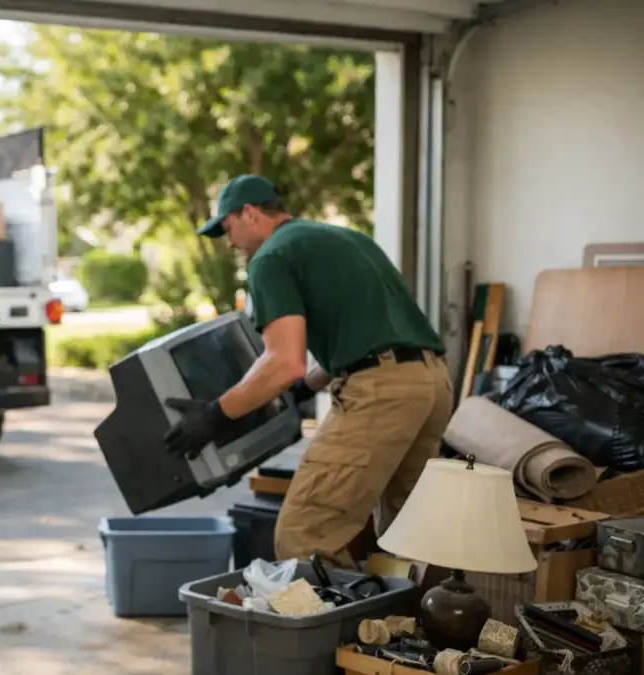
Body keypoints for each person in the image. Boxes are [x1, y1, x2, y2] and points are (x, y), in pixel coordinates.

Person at [163, 174, 453, 569]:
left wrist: (215, 414)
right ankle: (406, 626)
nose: (230, 243)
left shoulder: (270, 257)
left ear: (248, 213)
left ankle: (333, 630)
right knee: (409, 532)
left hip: (384, 395)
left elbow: (284, 361)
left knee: (305, 534)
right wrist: (301, 389)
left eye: (227, 229)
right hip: (431, 382)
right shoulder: (347, 240)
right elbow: (363, 340)